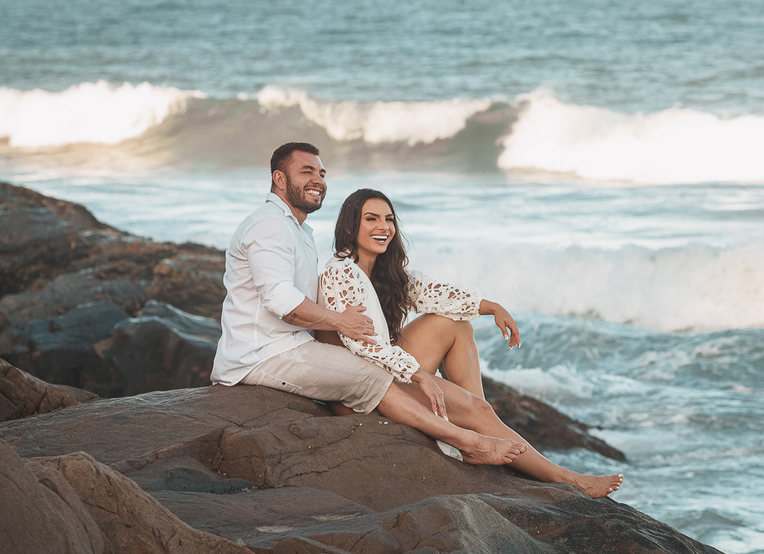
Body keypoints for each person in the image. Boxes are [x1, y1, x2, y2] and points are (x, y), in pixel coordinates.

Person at [210, 142, 526, 466]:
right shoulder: (270, 225)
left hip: (287, 344)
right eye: (306, 171)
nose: (317, 179)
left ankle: (479, 424)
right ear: (279, 178)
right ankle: (468, 441)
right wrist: (339, 321)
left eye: (321, 172)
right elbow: (280, 299)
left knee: (441, 341)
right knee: (372, 374)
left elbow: (424, 290)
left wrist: (490, 306)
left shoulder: (299, 230)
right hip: (262, 354)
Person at [315, 188, 623, 499]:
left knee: (454, 325)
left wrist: (493, 307)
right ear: (351, 226)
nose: (384, 227)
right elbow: (363, 344)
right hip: (359, 389)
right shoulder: (340, 272)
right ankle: (567, 479)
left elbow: (435, 294)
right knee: (476, 407)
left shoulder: (383, 271)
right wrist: (418, 374)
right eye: (372, 219)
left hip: (378, 371)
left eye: (389, 219)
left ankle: (478, 419)